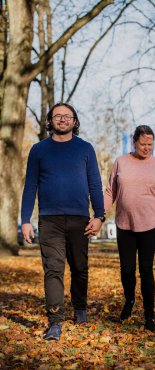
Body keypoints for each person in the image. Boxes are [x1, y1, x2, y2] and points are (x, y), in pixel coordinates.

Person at [21, 102, 105, 341]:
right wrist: (25, 219)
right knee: (53, 269)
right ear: (50, 121)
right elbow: (30, 186)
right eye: (57, 116)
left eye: (67, 116)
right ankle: (55, 320)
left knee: (80, 267)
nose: (62, 119)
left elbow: (95, 185)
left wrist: (99, 216)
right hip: (50, 219)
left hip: (80, 219)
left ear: (75, 121)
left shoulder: (86, 149)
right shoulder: (38, 150)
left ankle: (80, 308)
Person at [104, 125, 155, 332]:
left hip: (149, 226)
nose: (147, 148)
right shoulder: (121, 162)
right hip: (124, 225)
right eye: (143, 144)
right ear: (134, 142)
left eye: (150, 145)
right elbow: (111, 192)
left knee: (146, 270)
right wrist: (100, 216)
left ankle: (149, 315)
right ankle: (129, 300)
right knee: (127, 270)